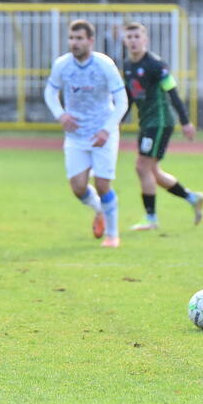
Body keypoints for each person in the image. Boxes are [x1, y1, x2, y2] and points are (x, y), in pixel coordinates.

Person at [43, 19, 128, 247]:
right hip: (76, 136)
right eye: (71, 38)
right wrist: (60, 115)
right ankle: (100, 210)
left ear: (91, 40)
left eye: (79, 38)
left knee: (102, 185)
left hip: (103, 134)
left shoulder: (104, 65)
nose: (74, 43)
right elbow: (50, 93)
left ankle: (112, 235)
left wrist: (107, 130)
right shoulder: (62, 65)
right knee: (78, 188)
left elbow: (122, 101)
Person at [120, 22, 203, 230]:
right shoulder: (128, 65)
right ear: (124, 40)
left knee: (142, 167)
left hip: (159, 122)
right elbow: (130, 95)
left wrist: (185, 122)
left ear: (145, 39)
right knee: (153, 171)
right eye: (129, 37)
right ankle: (192, 198)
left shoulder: (156, 65)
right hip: (146, 123)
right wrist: (119, 120)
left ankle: (151, 218)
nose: (133, 41)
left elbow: (172, 93)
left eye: (136, 37)